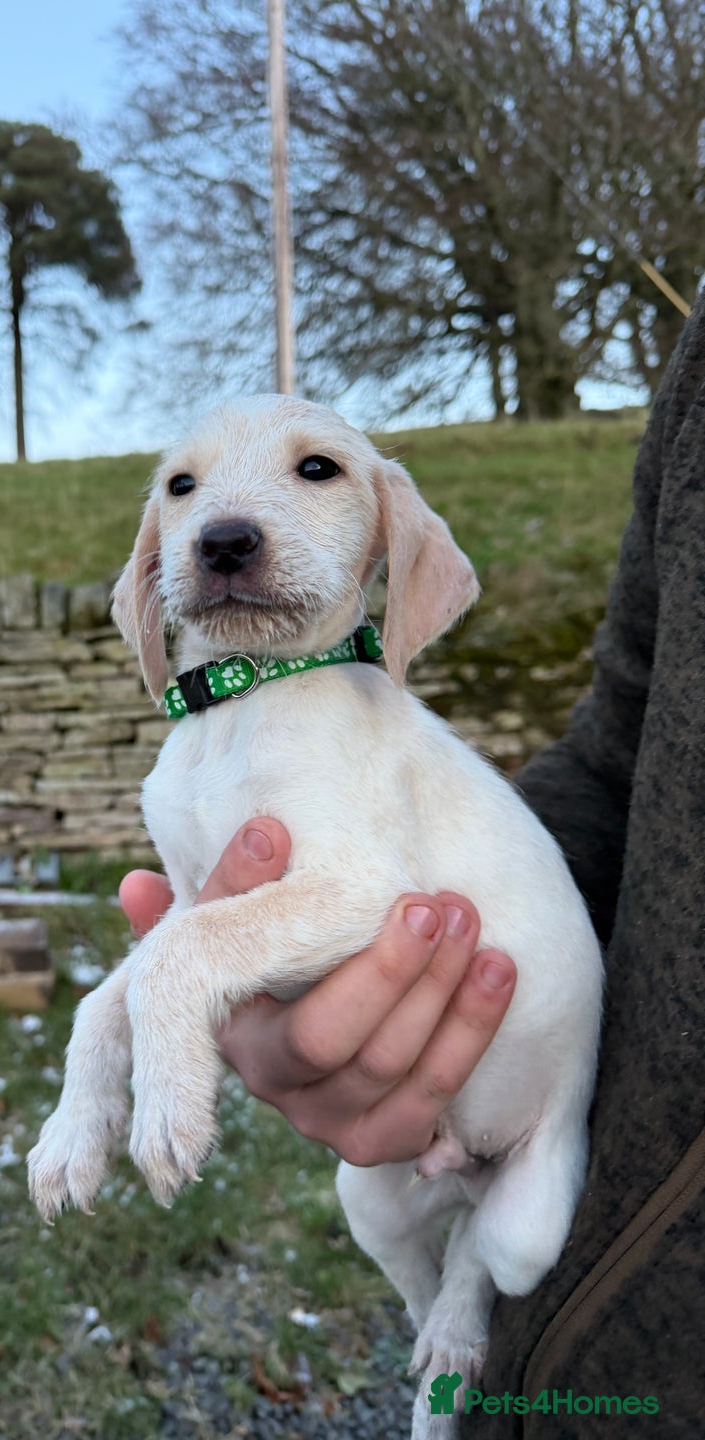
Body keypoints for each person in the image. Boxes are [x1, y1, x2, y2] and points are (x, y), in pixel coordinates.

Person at [119, 293, 705, 1436]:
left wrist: (185, 967)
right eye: (183, 490)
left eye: (315, 470)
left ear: (393, 542)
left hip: (618, 1277)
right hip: (576, 1301)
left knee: (518, 1247)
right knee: (379, 1212)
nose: (223, 524)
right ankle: (441, 1318)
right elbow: (636, 729)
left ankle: (466, 1300)